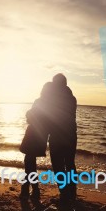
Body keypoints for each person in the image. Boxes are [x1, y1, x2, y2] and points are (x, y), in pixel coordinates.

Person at [19, 82, 53, 201]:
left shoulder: (40, 101)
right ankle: (31, 189)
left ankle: (30, 189)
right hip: (40, 136)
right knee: (29, 163)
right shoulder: (51, 104)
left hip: (34, 134)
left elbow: (30, 115)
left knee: (29, 163)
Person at [47, 74, 78, 203]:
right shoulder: (72, 98)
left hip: (58, 136)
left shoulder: (54, 98)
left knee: (58, 165)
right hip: (71, 135)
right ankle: (72, 191)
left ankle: (64, 193)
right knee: (70, 163)